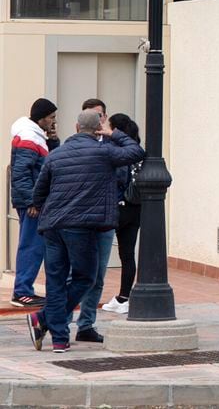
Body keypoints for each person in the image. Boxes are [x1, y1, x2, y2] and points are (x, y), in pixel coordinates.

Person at [25, 109, 145, 353]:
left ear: (76, 127)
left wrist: (43, 207)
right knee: (86, 277)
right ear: (98, 129)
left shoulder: (56, 154)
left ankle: (59, 339)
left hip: (52, 226)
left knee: (56, 281)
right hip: (81, 226)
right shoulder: (104, 152)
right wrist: (113, 133)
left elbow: (39, 192)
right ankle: (45, 320)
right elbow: (136, 152)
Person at [72, 98, 116, 340]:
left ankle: (86, 325)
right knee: (75, 274)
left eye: (98, 116)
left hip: (103, 220)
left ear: (104, 119)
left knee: (97, 276)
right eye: (90, 116)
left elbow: (129, 162)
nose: (95, 121)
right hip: (78, 221)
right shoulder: (73, 145)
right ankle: (59, 322)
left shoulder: (111, 147)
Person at [10, 98, 58, 308]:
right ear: (42, 118)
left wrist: (53, 141)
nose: (54, 121)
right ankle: (22, 292)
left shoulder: (37, 136)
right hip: (32, 203)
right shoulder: (29, 137)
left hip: (35, 201)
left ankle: (24, 290)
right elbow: (21, 173)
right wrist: (32, 201)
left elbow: (46, 163)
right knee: (31, 245)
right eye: (51, 117)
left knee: (35, 245)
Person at [101, 114, 142, 316]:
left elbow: (117, 180)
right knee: (127, 255)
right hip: (135, 208)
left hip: (119, 208)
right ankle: (123, 298)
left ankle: (91, 294)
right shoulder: (137, 150)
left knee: (99, 251)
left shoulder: (118, 152)